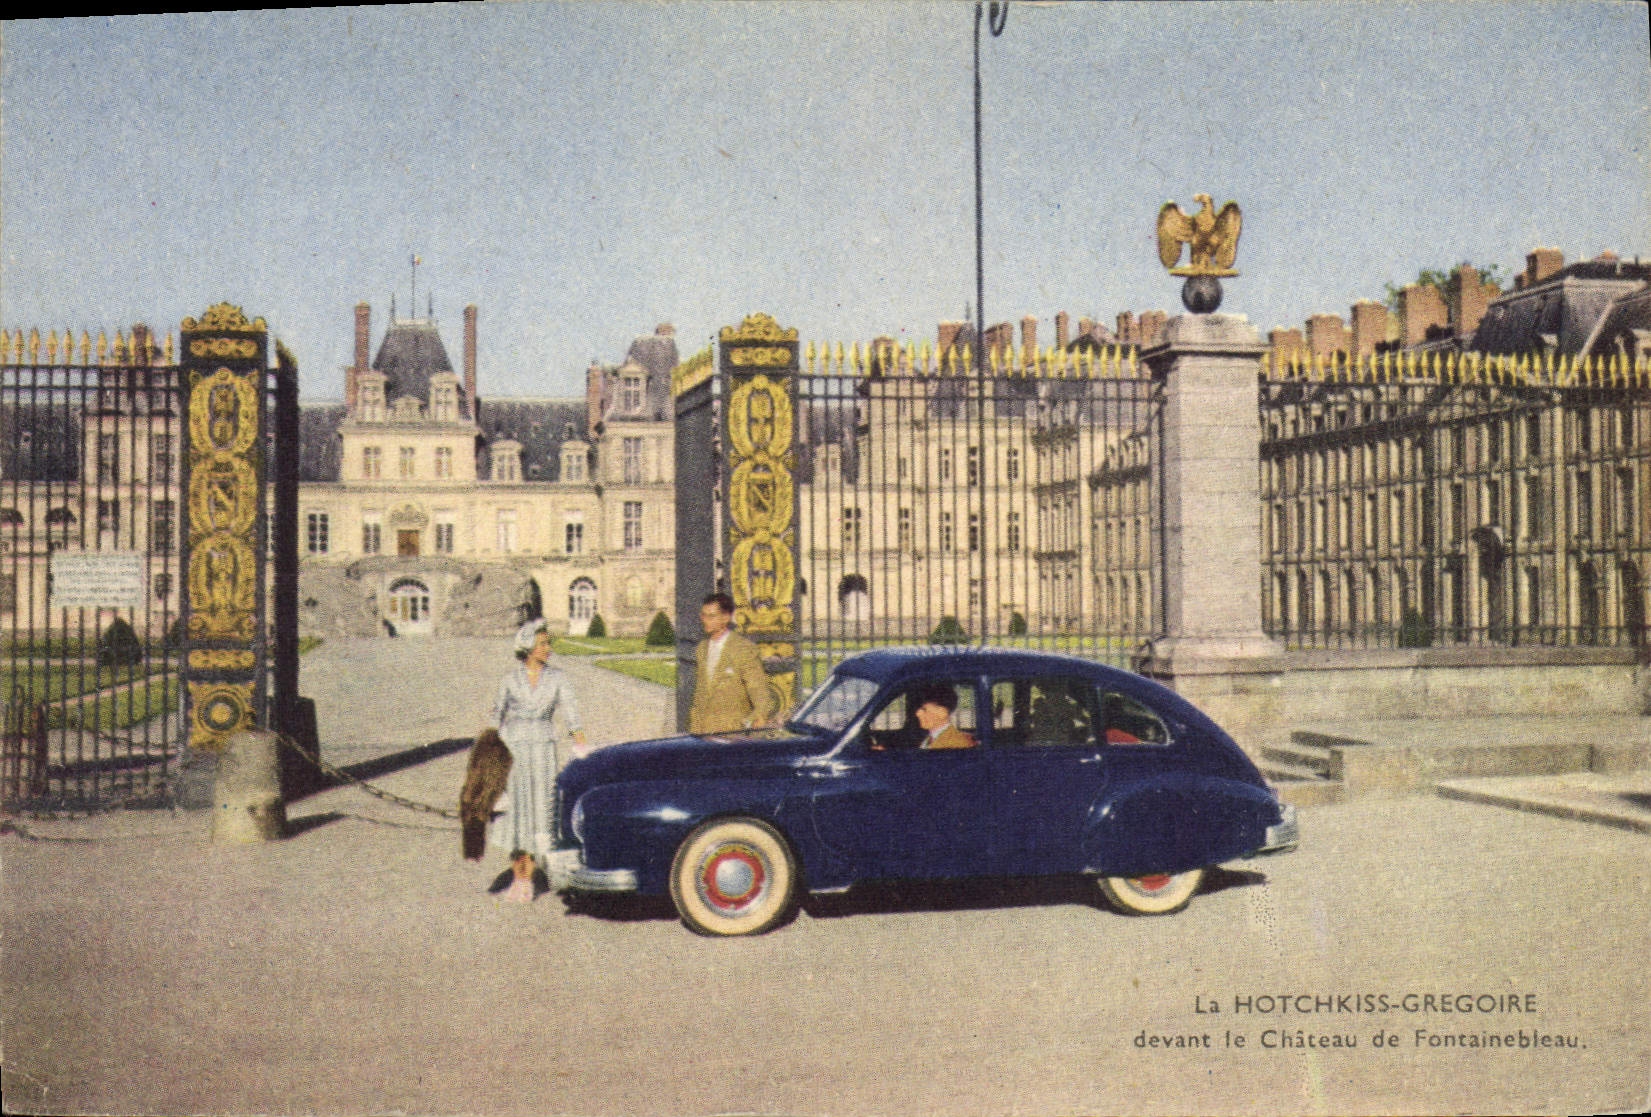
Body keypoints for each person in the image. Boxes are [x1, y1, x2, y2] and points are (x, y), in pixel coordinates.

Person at [487, 618, 588, 865]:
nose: (548, 648)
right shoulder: (510, 679)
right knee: (518, 804)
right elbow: (496, 715)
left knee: (544, 802)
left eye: (548, 643)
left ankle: (543, 862)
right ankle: (521, 867)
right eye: (542, 644)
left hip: (543, 746)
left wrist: (581, 744)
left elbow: (571, 713)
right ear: (528, 646)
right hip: (514, 747)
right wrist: (488, 751)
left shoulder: (558, 678)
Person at [689, 592, 775, 735]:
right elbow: (700, 696)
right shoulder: (701, 648)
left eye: (711, 616)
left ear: (726, 618)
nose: (705, 620)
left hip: (733, 735)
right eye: (703, 615)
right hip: (702, 733)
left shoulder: (743, 648)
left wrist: (750, 724)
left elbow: (761, 695)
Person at [912, 683, 976, 750]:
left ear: (942, 713)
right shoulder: (930, 738)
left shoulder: (958, 743)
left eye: (924, 709)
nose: (917, 713)